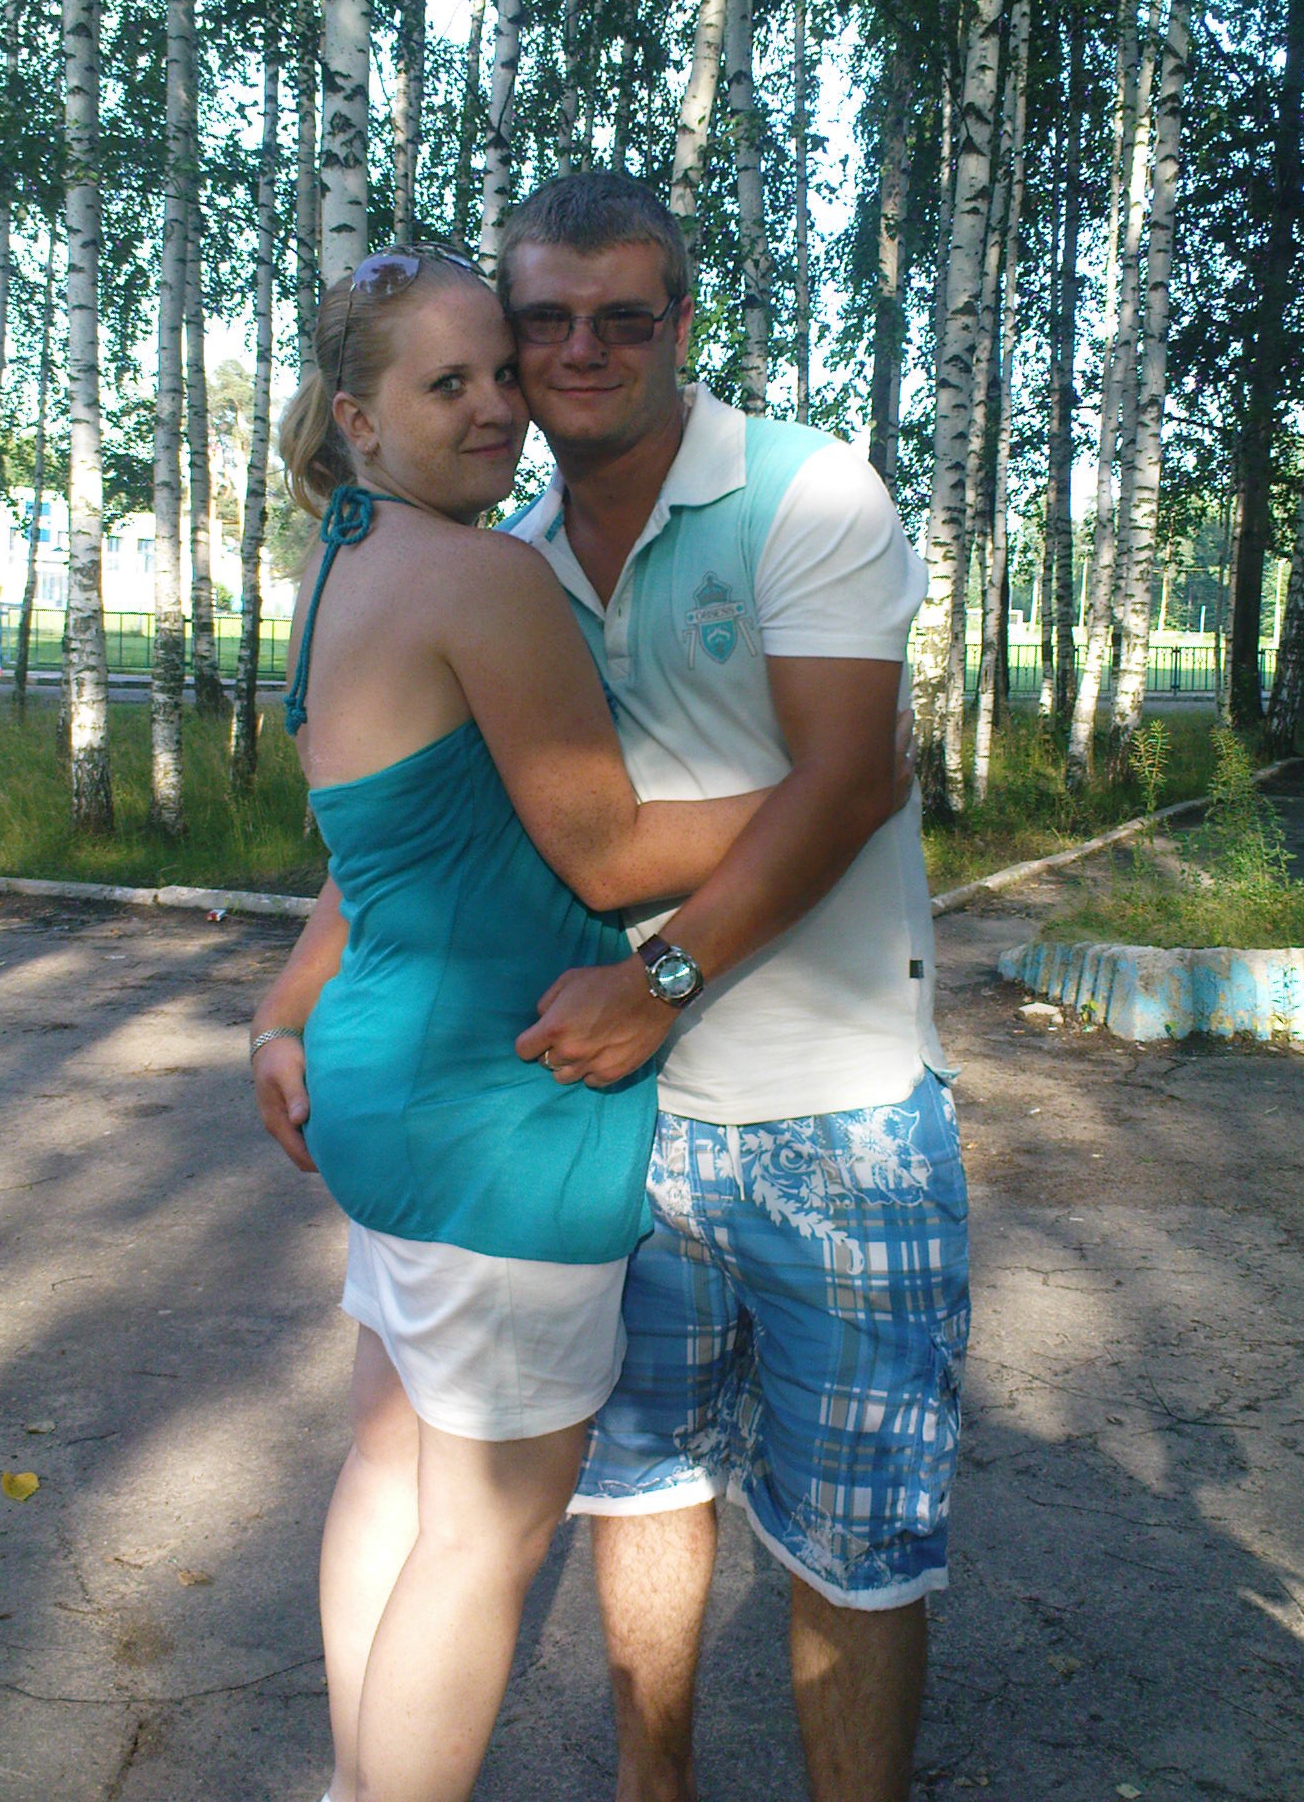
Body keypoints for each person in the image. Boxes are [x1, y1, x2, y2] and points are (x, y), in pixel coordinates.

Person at [248, 244, 771, 1802]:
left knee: (394, 1467)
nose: (498, 408)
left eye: (501, 372)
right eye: (448, 384)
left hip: (387, 1090)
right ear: (358, 417)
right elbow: (608, 854)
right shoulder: (483, 578)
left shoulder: (344, 563)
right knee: (483, 1539)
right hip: (499, 1113)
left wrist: (280, 1011)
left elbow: (375, 852)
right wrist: (831, 790)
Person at [498, 173, 969, 1802]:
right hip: (622, 1132)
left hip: (840, 1115)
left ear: (682, 323)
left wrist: (659, 981)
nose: (583, 349)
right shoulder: (517, 559)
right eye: (546, 319)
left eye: (623, 317)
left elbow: (845, 786)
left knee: (861, 1539)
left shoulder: (805, 491)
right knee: (636, 1488)